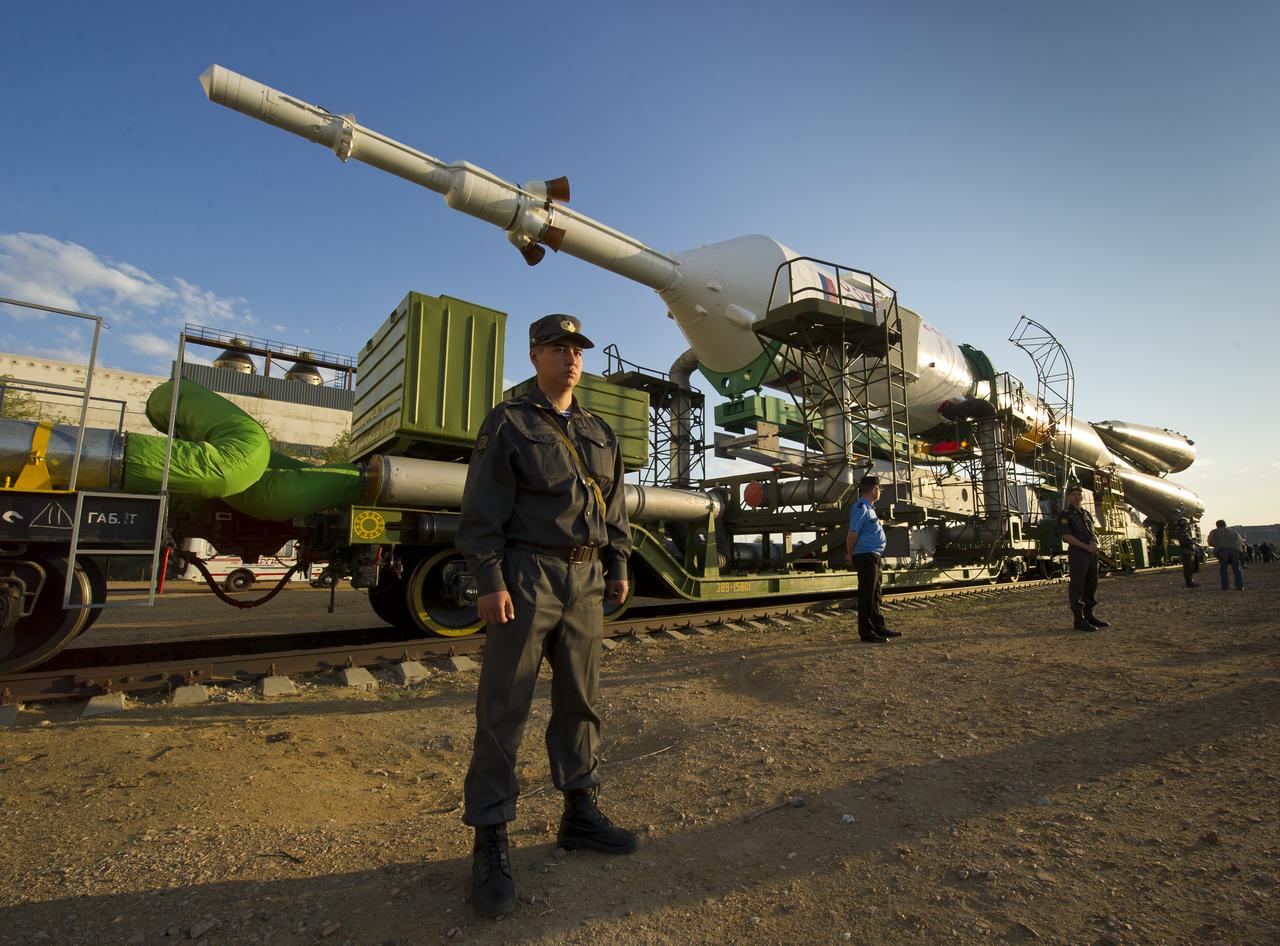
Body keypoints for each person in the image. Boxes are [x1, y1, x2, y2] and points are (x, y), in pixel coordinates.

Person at [456, 313, 638, 918]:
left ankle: (579, 813)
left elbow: (614, 506)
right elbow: (482, 508)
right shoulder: (509, 421)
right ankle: (490, 837)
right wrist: (490, 579)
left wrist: (618, 563)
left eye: (577, 349)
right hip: (526, 574)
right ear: (535, 356)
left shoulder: (598, 429)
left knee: (581, 699)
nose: (571, 358)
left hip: (586, 578)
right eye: (559, 348)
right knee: (503, 706)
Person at [846, 474, 899, 643]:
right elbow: (852, 534)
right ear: (874, 490)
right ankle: (866, 632)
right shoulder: (861, 507)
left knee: (876, 593)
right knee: (867, 594)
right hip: (866, 556)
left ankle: (878, 627)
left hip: (873, 555)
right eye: (879, 489)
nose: (880, 492)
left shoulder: (869, 508)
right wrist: (850, 554)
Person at [1057, 486, 1110, 631]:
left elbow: (1093, 533)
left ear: (1082, 497)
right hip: (1078, 553)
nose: (1076, 497)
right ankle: (1079, 620)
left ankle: (1089, 615)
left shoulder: (1086, 514)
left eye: (1079, 495)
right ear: (1068, 497)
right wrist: (1086, 547)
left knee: (1091, 584)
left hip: (1091, 553)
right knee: (1078, 585)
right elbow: (1066, 535)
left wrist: (1096, 544)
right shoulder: (1065, 514)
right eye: (1073, 494)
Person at [1205, 518, 1245, 591]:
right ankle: (1240, 586)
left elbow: (1210, 542)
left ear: (1217, 525)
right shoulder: (1233, 531)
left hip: (1222, 551)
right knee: (1237, 569)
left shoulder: (1214, 532)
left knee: (1223, 569)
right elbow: (1241, 542)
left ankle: (1225, 586)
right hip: (1235, 550)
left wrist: (1217, 545)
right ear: (1225, 524)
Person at [1172, 517, 1200, 588]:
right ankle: (1189, 582)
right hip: (1187, 551)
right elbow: (1186, 542)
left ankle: (1190, 581)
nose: (1187, 525)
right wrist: (1193, 544)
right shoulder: (1182, 533)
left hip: (1188, 551)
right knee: (1188, 568)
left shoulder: (1183, 532)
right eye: (1186, 524)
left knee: (1190, 567)